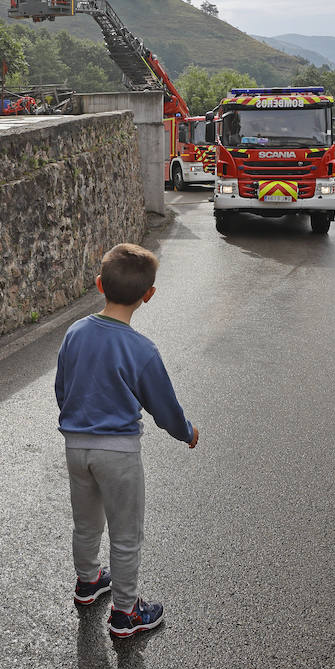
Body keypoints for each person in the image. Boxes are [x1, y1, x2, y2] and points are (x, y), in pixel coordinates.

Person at [55, 243, 199, 638]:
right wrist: (186, 432)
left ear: (100, 284)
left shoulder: (75, 333)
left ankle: (87, 583)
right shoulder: (142, 350)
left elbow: (62, 389)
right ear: (147, 295)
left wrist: (75, 423)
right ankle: (126, 613)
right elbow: (163, 408)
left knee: (86, 524)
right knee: (125, 534)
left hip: (76, 447)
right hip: (117, 453)